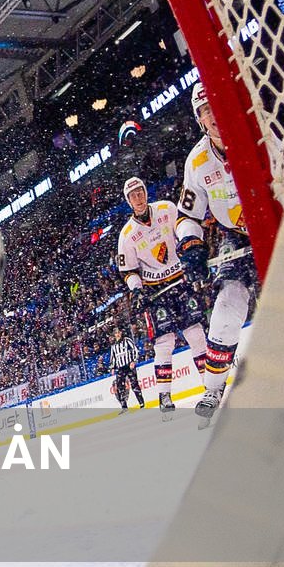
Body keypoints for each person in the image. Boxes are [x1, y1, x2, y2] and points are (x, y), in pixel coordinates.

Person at [176, 83, 257, 428]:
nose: (212, 115)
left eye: (214, 105)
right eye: (204, 110)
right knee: (226, 309)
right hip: (234, 236)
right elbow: (187, 216)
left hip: (274, 222)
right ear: (199, 119)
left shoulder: (252, 129)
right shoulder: (196, 160)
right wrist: (192, 247)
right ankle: (213, 388)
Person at [114, 175, 210, 414]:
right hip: (155, 291)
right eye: (133, 195)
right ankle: (165, 395)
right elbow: (128, 271)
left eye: (140, 191)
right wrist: (137, 290)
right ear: (128, 200)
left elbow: (186, 228)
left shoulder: (167, 208)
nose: (138, 197)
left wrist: (192, 251)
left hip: (180, 280)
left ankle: (210, 387)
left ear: (146, 192)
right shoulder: (126, 235)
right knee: (164, 343)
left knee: (196, 334)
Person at [109, 326, 142, 412]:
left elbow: (135, 350)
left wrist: (134, 361)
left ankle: (141, 403)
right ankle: (124, 407)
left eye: (119, 332)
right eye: (116, 333)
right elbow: (113, 358)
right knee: (120, 387)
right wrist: (112, 367)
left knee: (134, 384)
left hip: (129, 366)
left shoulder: (127, 340)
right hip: (120, 368)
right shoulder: (113, 346)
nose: (118, 334)